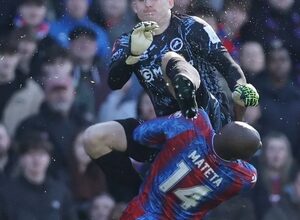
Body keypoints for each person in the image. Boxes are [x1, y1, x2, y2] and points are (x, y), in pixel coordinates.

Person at [84, 0, 259, 201]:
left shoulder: (193, 26)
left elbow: (228, 66)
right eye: (141, 0)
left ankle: (189, 108)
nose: (148, 4)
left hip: (210, 123)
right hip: (168, 131)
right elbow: (114, 82)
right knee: (94, 138)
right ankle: (141, 196)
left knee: (170, 59)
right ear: (134, 7)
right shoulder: (127, 41)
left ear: (170, 2)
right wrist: (132, 55)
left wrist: (241, 87)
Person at [120, 108, 261, 219]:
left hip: (142, 214)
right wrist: (240, 114)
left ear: (223, 129)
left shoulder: (196, 123)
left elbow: (140, 134)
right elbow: (238, 150)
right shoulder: (241, 178)